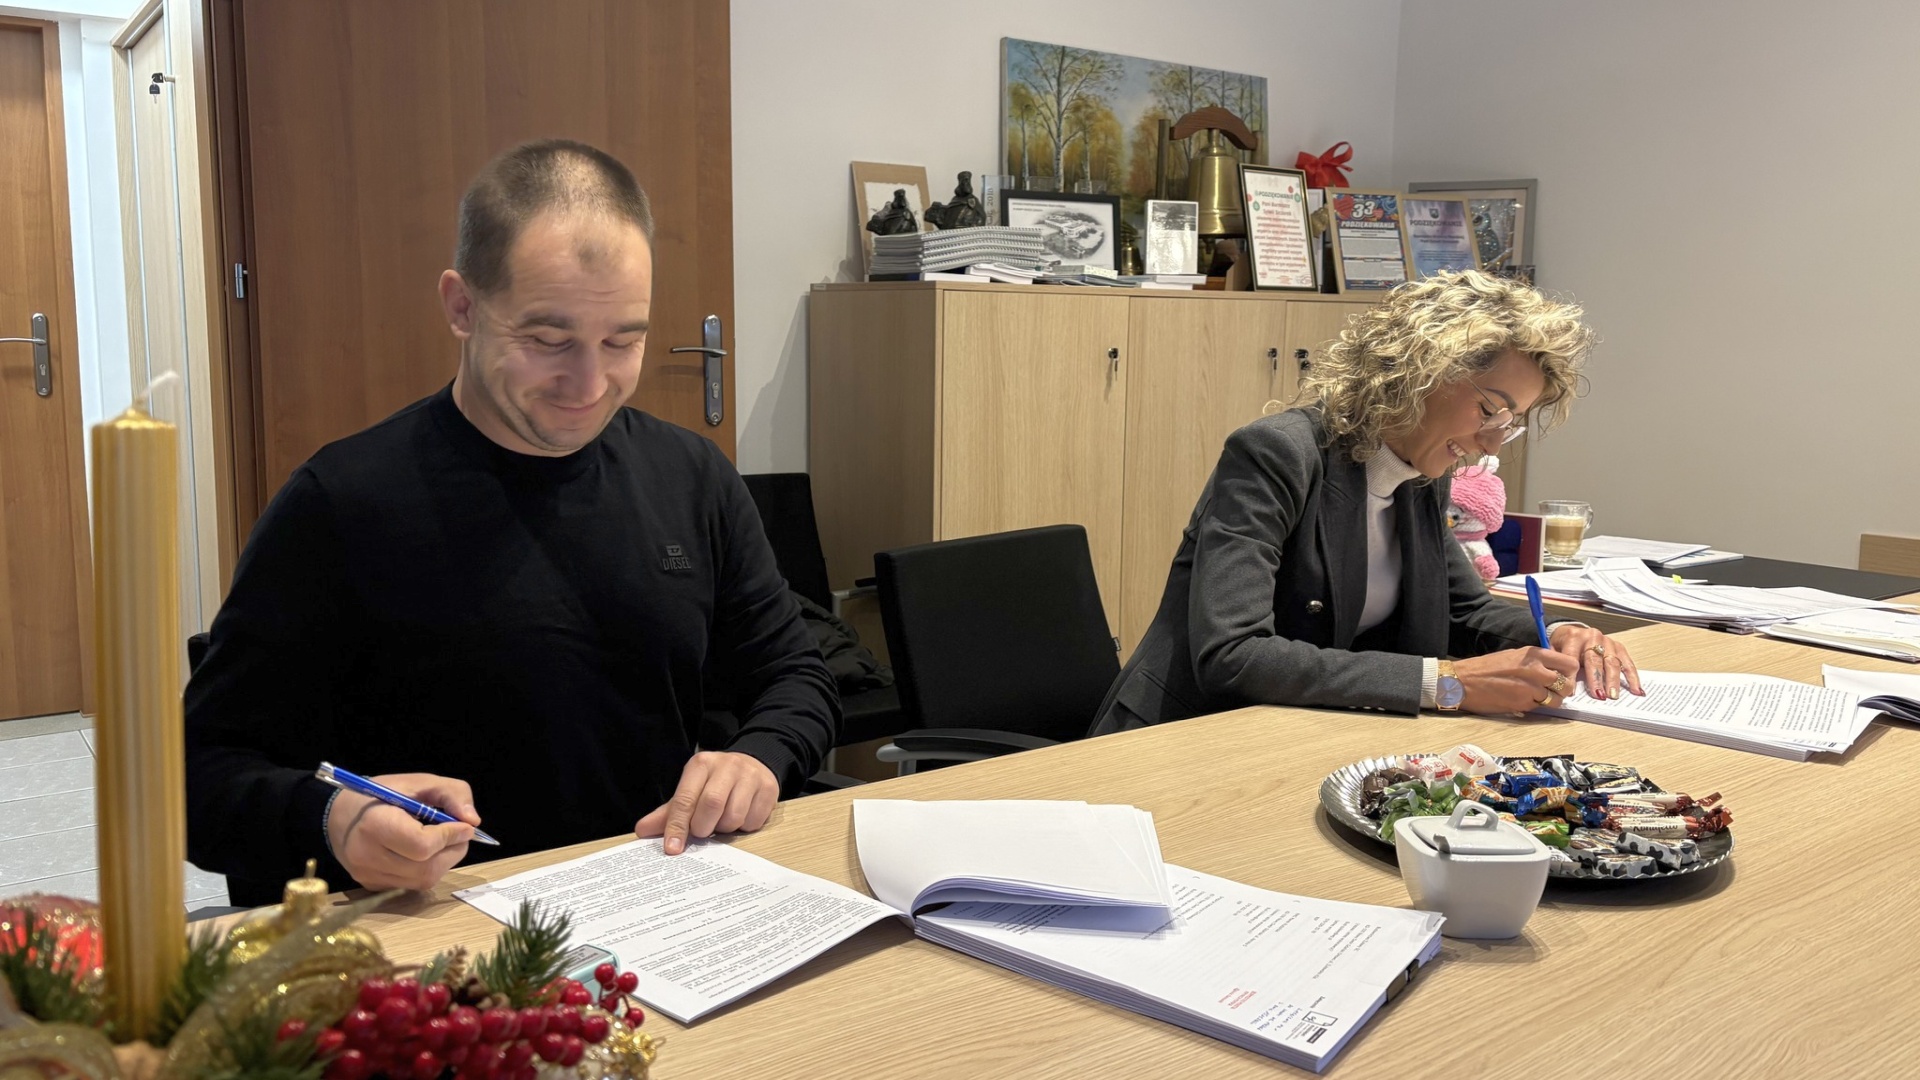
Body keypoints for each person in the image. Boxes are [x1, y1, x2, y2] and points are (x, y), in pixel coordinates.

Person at [185, 139, 839, 905]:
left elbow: (795, 675)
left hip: (649, 906)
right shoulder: (340, 504)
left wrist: (759, 758)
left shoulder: (691, 476)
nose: (589, 383)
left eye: (623, 339)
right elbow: (199, 780)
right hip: (435, 930)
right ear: (461, 306)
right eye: (548, 341)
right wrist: (332, 819)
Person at [1090, 270, 1642, 735]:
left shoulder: (1421, 473)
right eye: (1488, 411)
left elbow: (1465, 611)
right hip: (1183, 737)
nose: (1493, 443)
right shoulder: (1276, 454)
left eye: (1510, 422)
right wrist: (1446, 684)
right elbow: (1233, 655)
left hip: (1303, 733)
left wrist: (1560, 634)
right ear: (1422, 371)